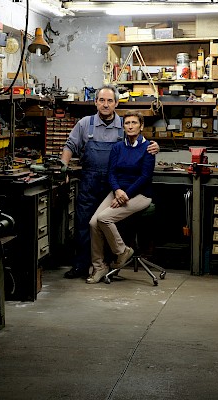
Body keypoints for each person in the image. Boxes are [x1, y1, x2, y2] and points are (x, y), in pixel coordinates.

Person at [60, 84, 159, 279]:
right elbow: (70, 144)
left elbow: (139, 144)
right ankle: (82, 266)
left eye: (110, 101)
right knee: (84, 225)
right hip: (90, 181)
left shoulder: (124, 125)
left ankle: (110, 267)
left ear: (116, 103)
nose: (105, 105)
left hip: (115, 185)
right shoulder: (85, 124)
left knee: (110, 225)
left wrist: (155, 146)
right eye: (102, 100)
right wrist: (63, 168)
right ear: (96, 102)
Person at [86, 111, 155, 284]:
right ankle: (99, 266)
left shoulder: (148, 148)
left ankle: (122, 251)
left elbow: (144, 177)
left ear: (141, 126)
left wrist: (125, 195)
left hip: (139, 194)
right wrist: (117, 190)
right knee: (93, 222)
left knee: (104, 218)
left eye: (134, 123)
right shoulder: (118, 147)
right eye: (127, 123)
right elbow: (111, 172)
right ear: (123, 126)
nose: (130, 126)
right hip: (119, 191)